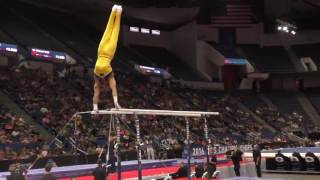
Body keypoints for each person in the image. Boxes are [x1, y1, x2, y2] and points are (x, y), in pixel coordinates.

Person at [93, 4, 123, 111]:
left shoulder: (109, 77)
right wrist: (94, 107)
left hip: (108, 55)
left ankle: (118, 12)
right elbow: (96, 94)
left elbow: (113, 88)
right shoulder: (96, 79)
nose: (106, 88)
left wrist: (116, 102)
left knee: (115, 32)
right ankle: (113, 10)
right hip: (100, 53)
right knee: (107, 30)